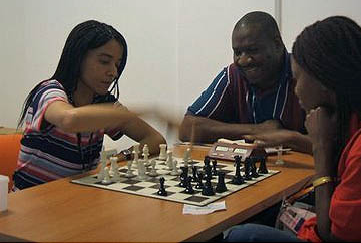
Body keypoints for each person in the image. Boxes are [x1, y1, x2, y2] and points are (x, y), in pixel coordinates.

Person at [223, 16, 361, 242]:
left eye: (297, 80)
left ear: (324, 81)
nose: (295, 90)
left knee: (243, 236)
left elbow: (334, 236)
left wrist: (321, 148)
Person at [13, 20, 166, 190]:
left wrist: (124, 156)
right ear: (78, 58)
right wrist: (146, 111)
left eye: (117, 64)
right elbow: (70, 120)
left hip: (77, 199)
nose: (113, 72)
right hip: (32, 205)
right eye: (104, 61)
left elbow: (157, 140)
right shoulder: (49, 92)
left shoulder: (103, 103)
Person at [179, 11, 311, 153]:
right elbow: (186, 129)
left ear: (277, 44)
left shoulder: (305, 75)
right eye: (237, 52)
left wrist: (288, 138)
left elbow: (331, 144)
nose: (243, 60)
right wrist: (257, 130)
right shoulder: (233, 75)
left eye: (252, 50)